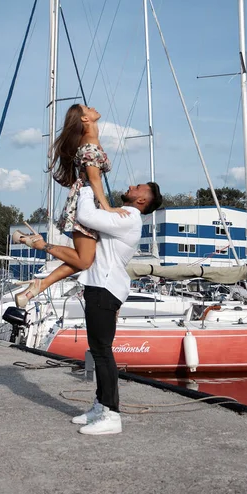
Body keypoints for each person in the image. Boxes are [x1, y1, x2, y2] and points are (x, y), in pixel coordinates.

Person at [32, 181, 163, 435]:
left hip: (106, 289)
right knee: (98, 349)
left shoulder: (129, 218)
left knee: (102, 352)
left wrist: (87, 186)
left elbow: (85, 216)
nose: (131, 185)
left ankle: (112, 415)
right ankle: (100, 405)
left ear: (141, 201)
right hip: (99, 287)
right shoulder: (120, 215)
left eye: (138, 187)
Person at [13, 103, 128, 308]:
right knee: (85, 261)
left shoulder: (91, 140)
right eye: (87, 108)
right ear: (85, 119)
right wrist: (108, 208)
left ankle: (39, 286)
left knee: (85, 259)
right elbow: (94, 179)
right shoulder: (89, 144)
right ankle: (37, 243)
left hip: (89, 200)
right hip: (87, 202)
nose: (93, 107)